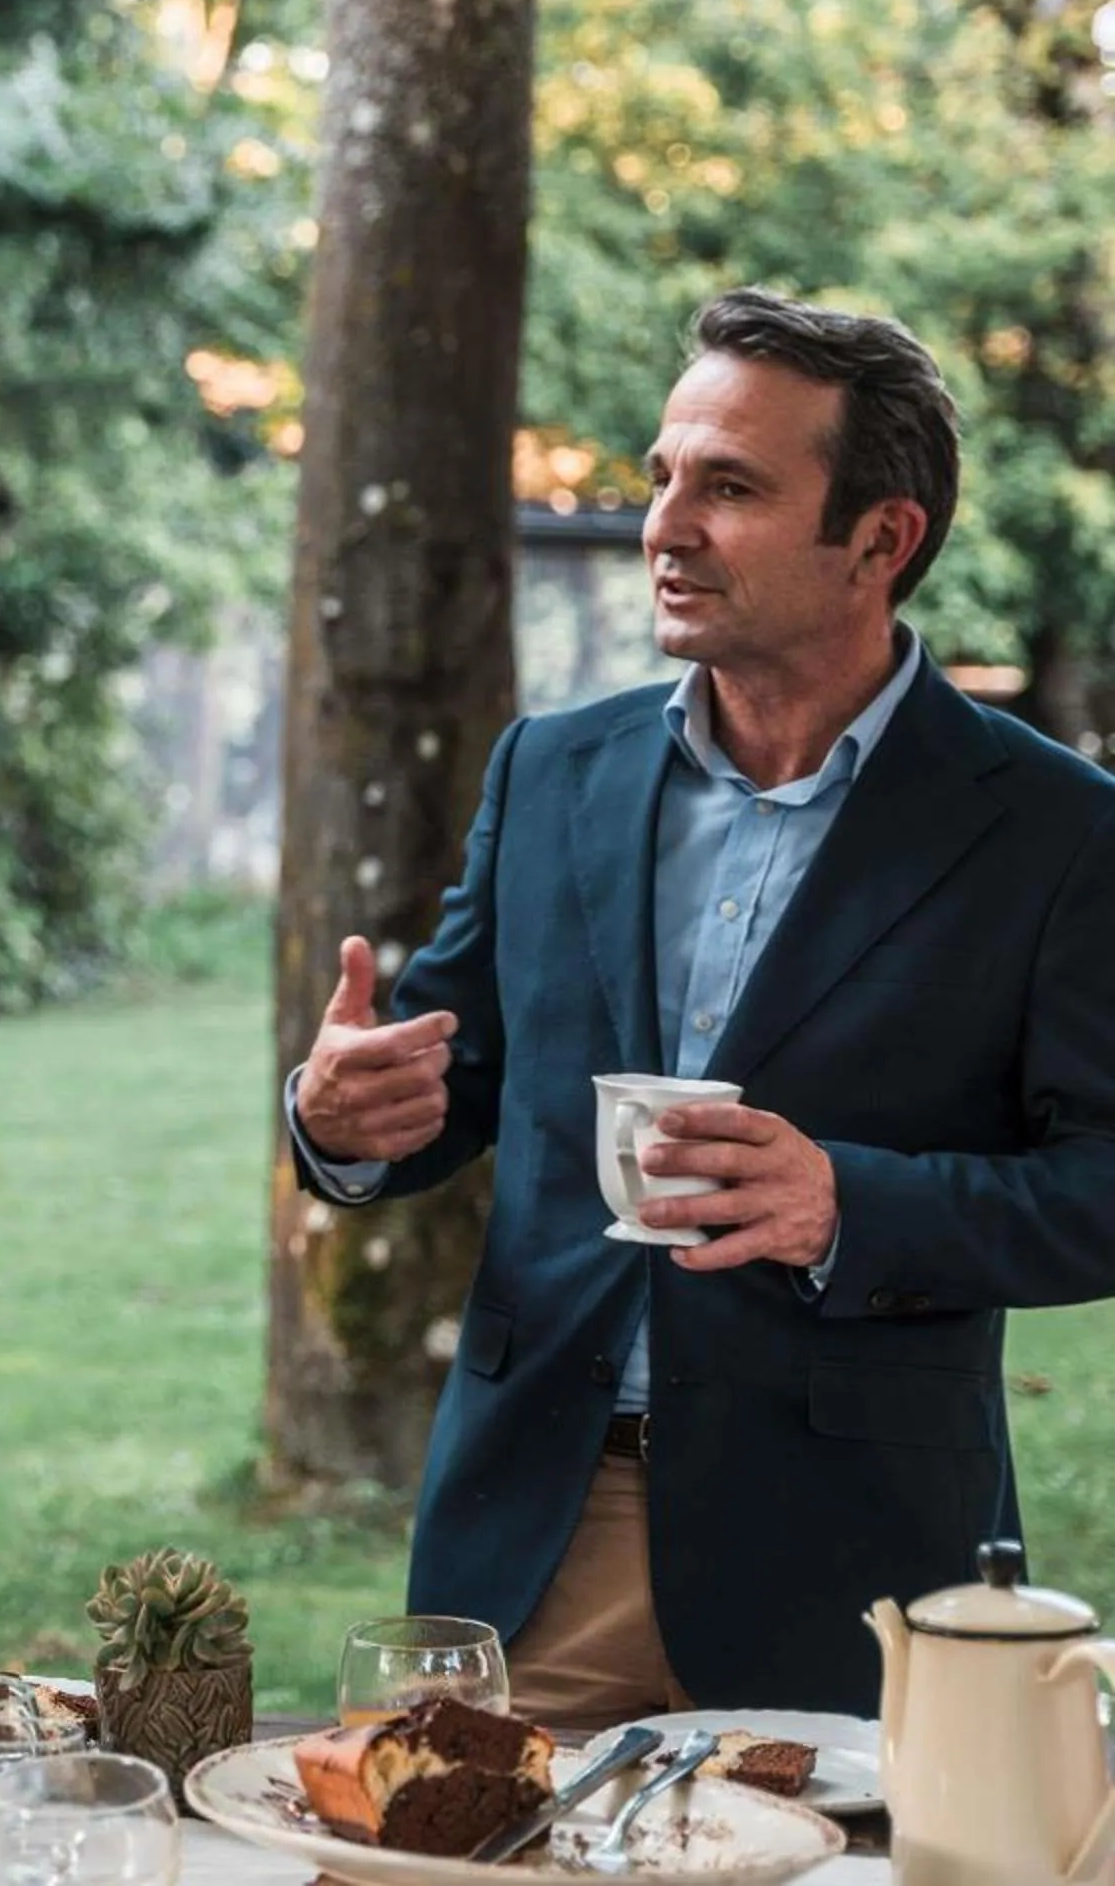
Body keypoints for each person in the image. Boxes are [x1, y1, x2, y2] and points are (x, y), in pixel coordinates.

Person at [291, 287, 1115, 1728]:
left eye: (728, 487)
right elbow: (445, 1080)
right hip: (536, 1532)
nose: (663, 524)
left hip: (853, 1558)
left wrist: (845, 1202)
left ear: (881, 538)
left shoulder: (1055, 831)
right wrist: (344, 1119)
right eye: (664, 473)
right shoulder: (550, 771)